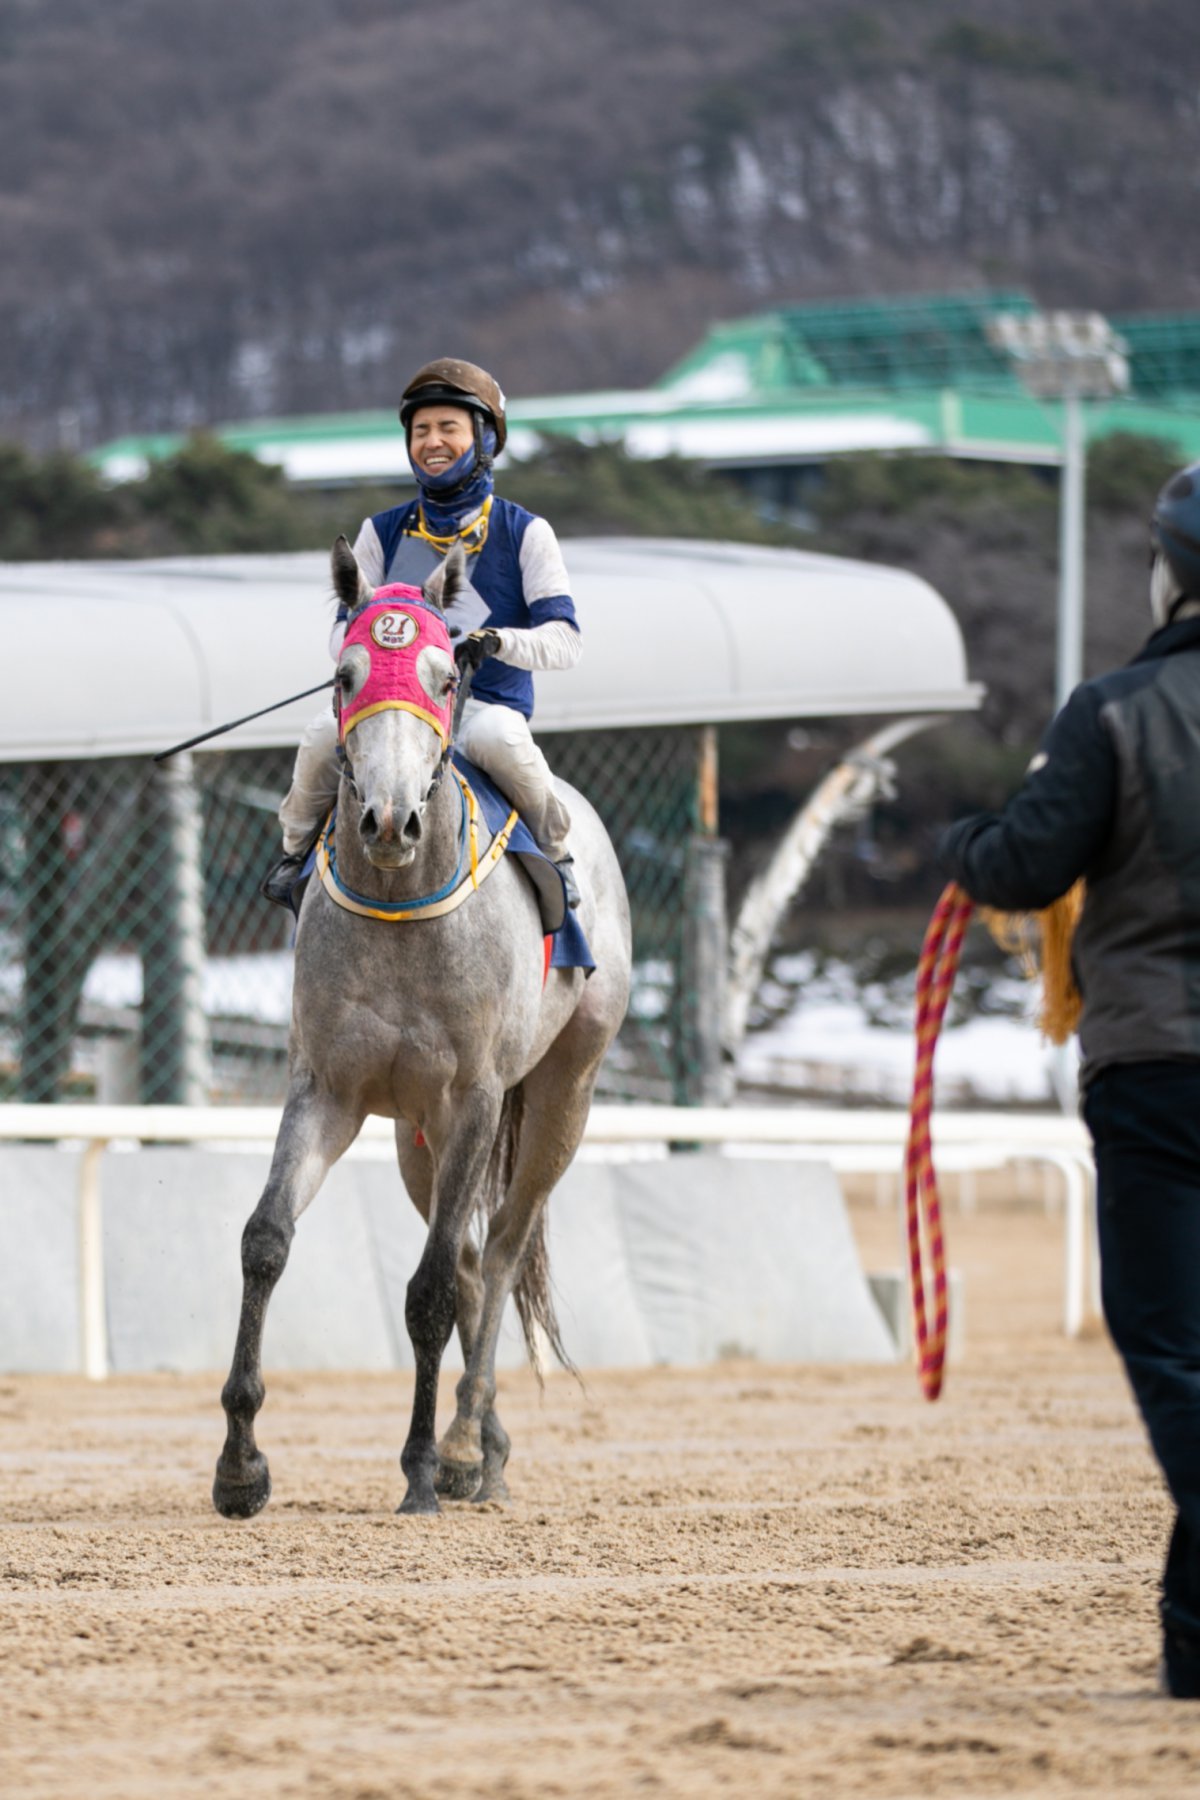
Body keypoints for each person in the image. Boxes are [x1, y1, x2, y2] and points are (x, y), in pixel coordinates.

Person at [939, 459, 1200, 1700]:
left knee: (1172, 1351)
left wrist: (961, 842)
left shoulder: (1116, 709)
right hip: (1153, 1057)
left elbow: (1024, 866)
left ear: (1170, 570)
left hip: (1157, 1069)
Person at [263, 357, 581, 907]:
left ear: (483, 440)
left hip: (482, 709)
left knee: (503, 742)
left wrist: (498, 641)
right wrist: (380, 652)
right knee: (318, 737)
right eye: (421, 431)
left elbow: (566, 640)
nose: (432, 441)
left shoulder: (527, 532)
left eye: (448, 428)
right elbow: (341, 635)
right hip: (389, 708)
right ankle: (295, 857)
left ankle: (558, 854)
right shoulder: (379, 532)